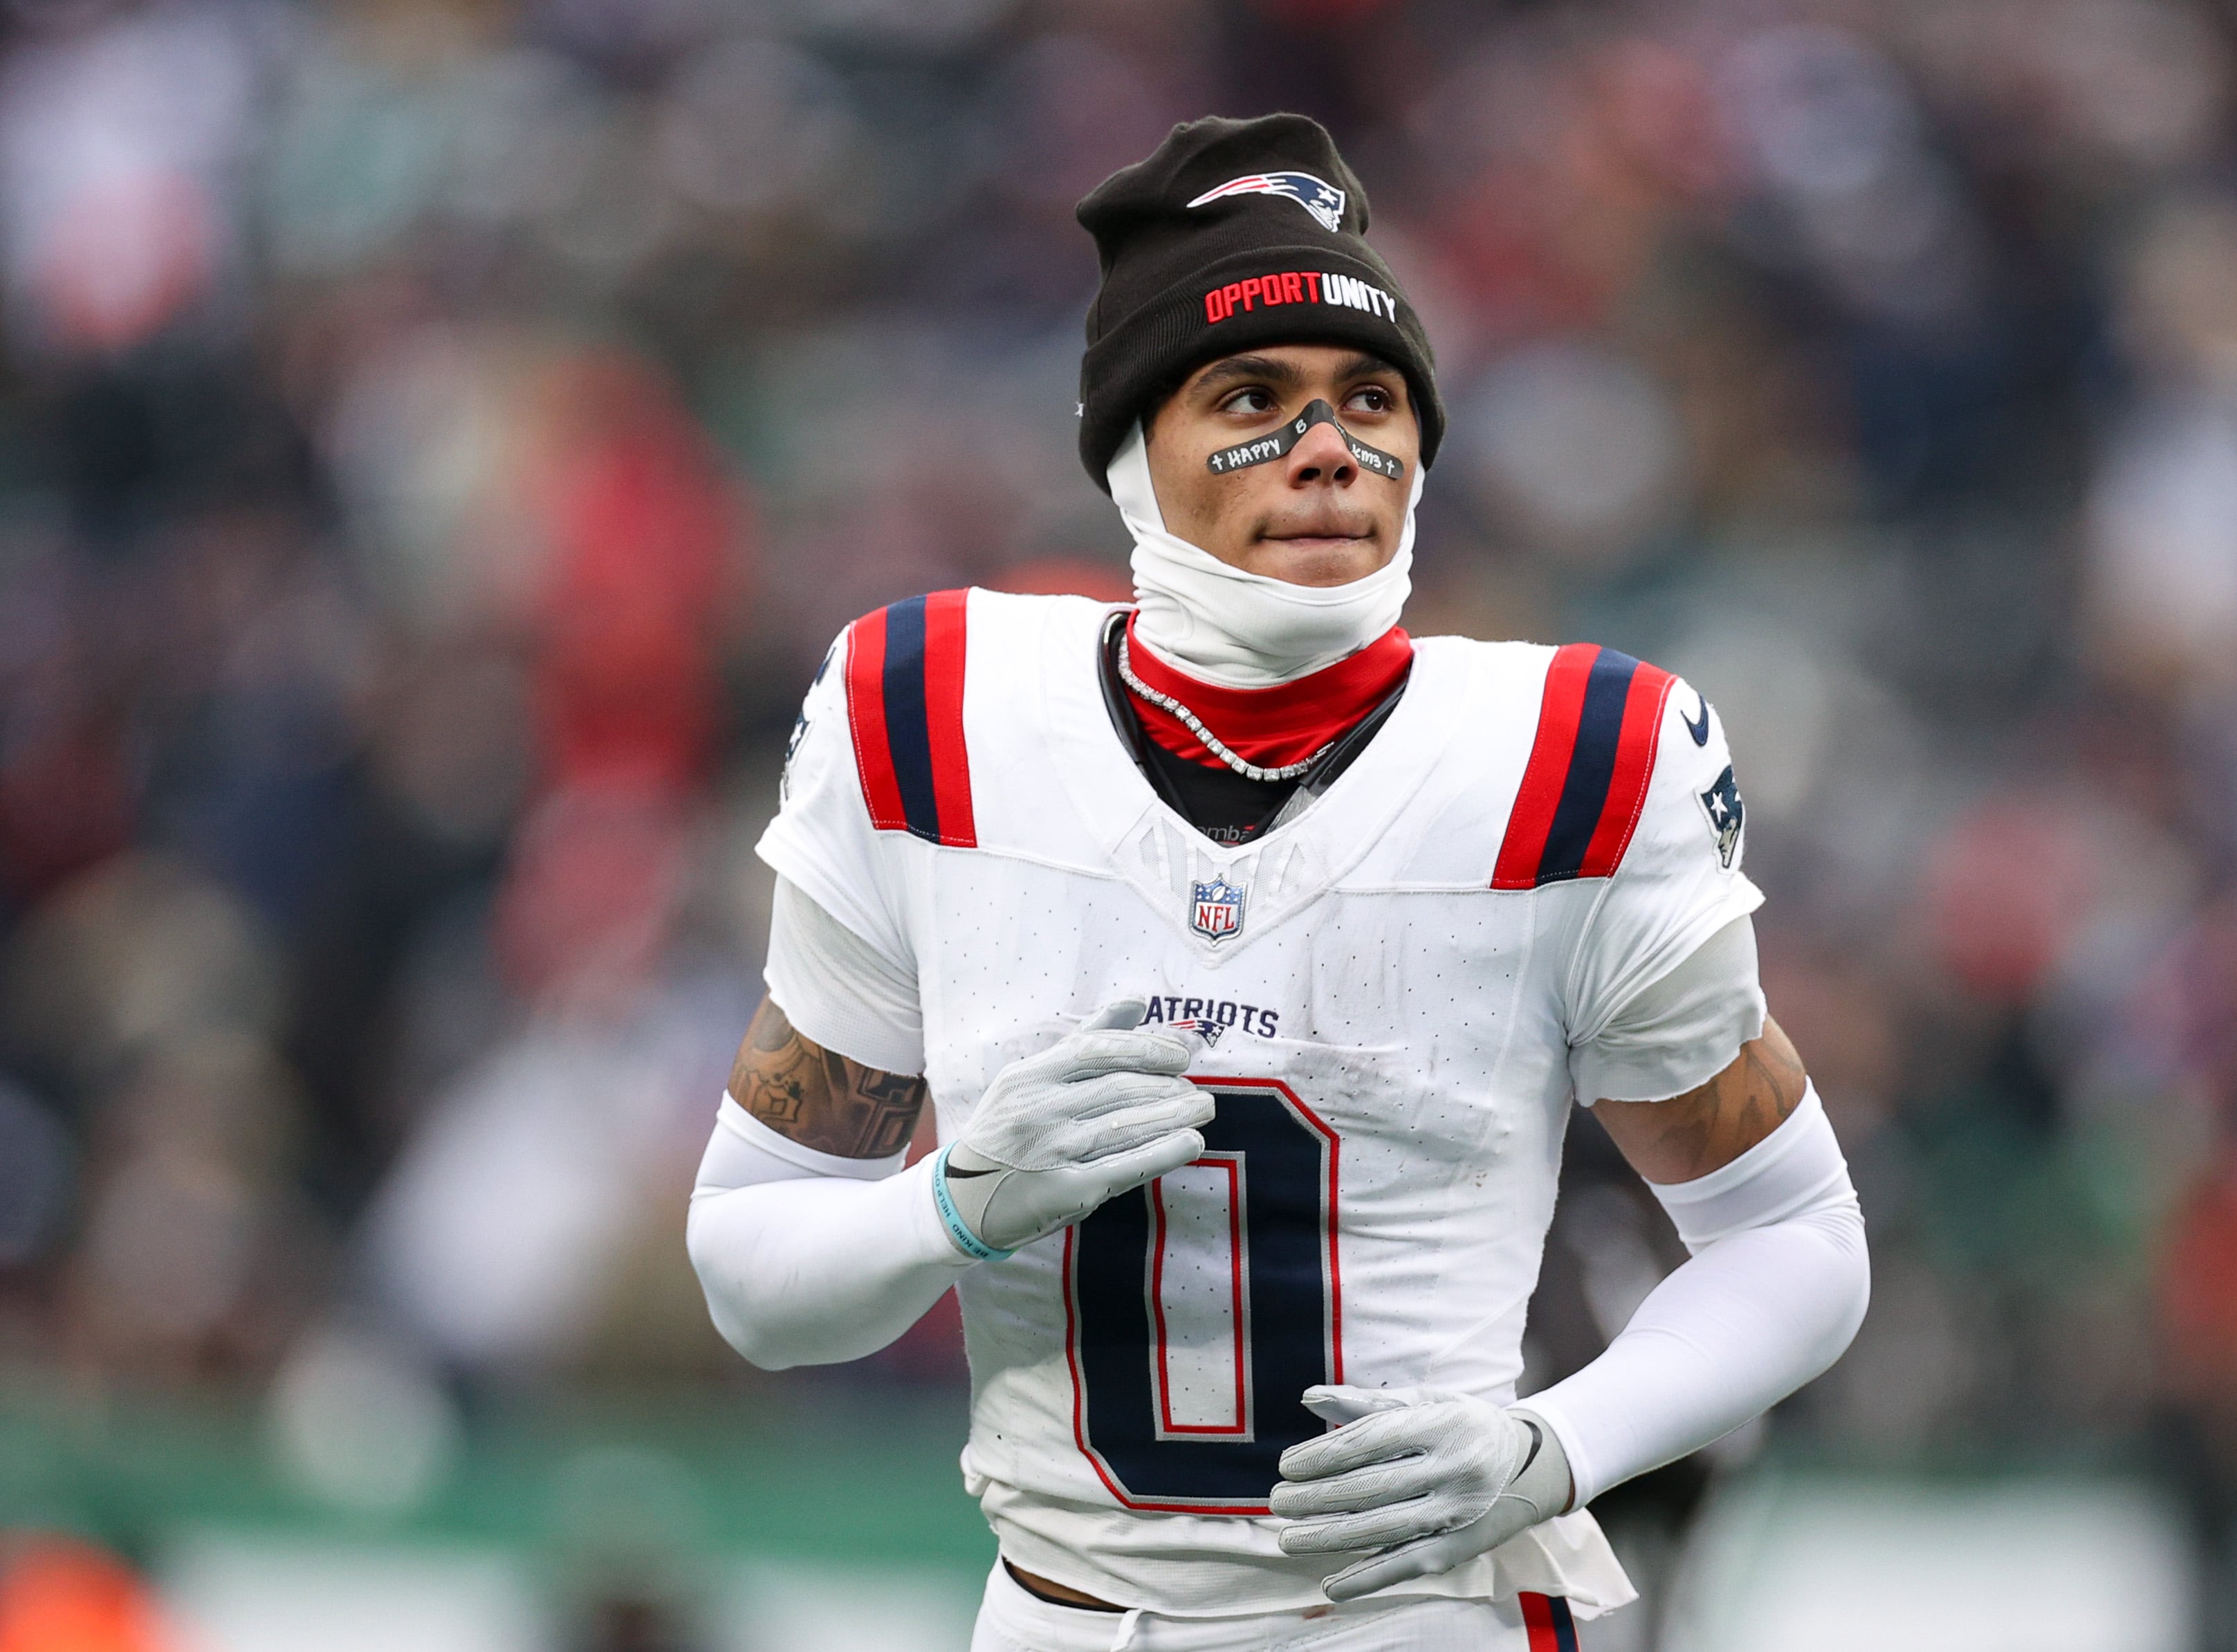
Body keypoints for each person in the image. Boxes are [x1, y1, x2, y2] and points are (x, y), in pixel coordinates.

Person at [687, 113, 1870, 1651]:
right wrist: (952, 1210)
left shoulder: (1574, 755)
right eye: (1252, 398)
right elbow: (757, 1279)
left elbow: (1793, 1239)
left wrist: (1555, 1447)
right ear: (1129, 450)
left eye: (1371, 400)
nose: (1328, 448)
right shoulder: (928, 711)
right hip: (1057, 1619)